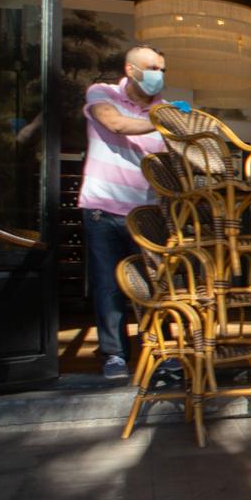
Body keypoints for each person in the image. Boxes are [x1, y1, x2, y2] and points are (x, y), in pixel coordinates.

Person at [79, 45, 188, 379]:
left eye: (162, 69)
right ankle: (114, 354)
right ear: (130, 69)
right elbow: (115, 124)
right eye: (153, 68)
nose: (159, 75)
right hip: (102, 208)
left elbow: (175, 161)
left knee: (153, 285)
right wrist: (161, 122)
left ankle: (161, 352)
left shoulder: (164, 109)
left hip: (147, 212)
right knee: (108, 285)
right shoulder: (103, 94)